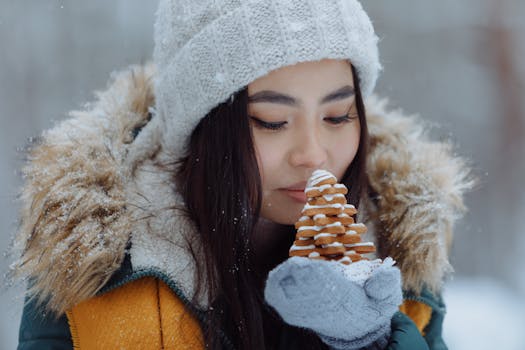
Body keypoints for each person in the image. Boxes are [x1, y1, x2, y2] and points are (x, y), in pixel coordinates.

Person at [11, 0, 473, 349]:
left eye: (338, 116)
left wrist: (376, 340)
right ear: (202, 127)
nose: (313, 155)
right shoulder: (91, 267)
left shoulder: (398, 256)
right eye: (271, 121)